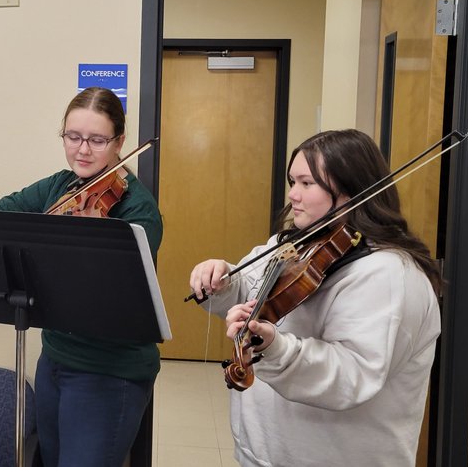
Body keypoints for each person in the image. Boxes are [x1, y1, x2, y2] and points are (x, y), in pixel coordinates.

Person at [188, 128, 443, 467]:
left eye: (307, 184)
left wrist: (275, 348)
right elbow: (253, 292)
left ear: (352, 190)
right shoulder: (294, 242)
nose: (293, 195)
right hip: (265, 452)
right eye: (292, 181)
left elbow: (352, 375)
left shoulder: (388, 275)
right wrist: (223, 279)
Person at [0, 87, 162, 467]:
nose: (82, 150)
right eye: (73, 137)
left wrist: (93, 243)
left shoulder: (138, 210)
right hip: (55, 360)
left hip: (110, 371)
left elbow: (119, 299)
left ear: (120, 142)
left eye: (97, 140)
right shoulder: (60, 187)